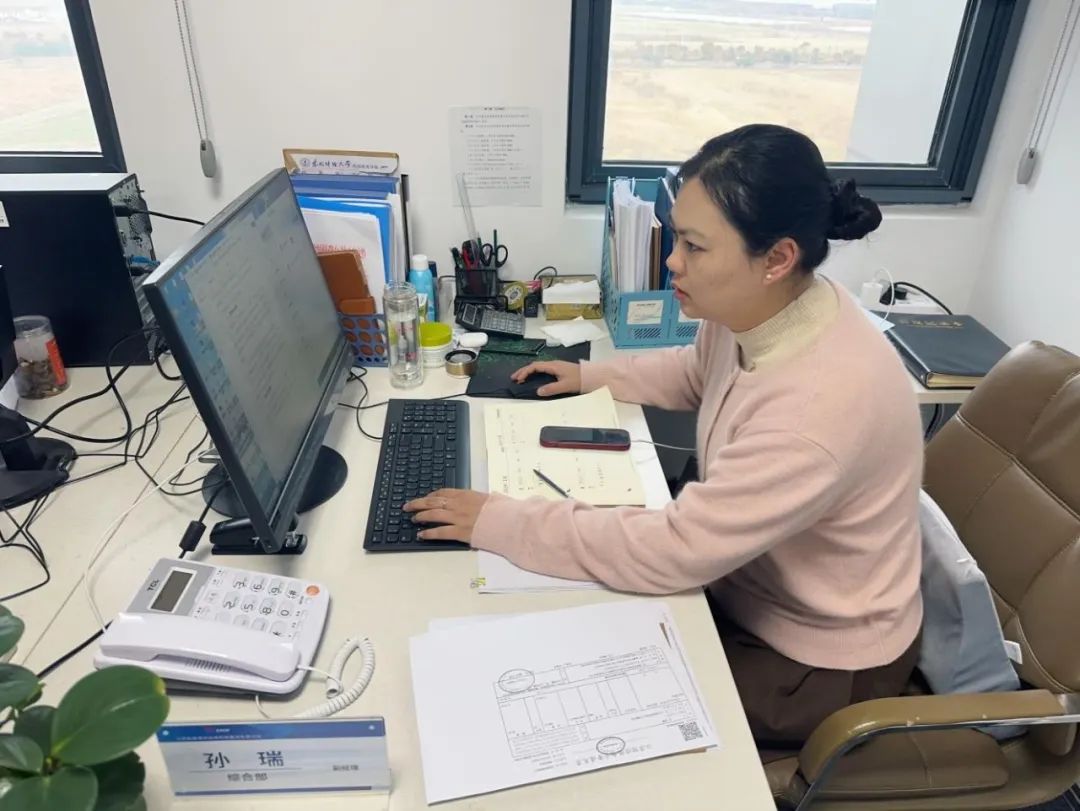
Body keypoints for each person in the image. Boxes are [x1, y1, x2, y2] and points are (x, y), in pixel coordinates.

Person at [405, 124, 924, 754]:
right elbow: (695, 371)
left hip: (813, 661)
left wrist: (502, 521)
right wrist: (591, 376)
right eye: (677, 236)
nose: (673, 261)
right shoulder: (769, 308)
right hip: (746, 584)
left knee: (585, 700)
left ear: (777, 259)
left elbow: (676, 551)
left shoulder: (818, 408)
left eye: (695, 247)